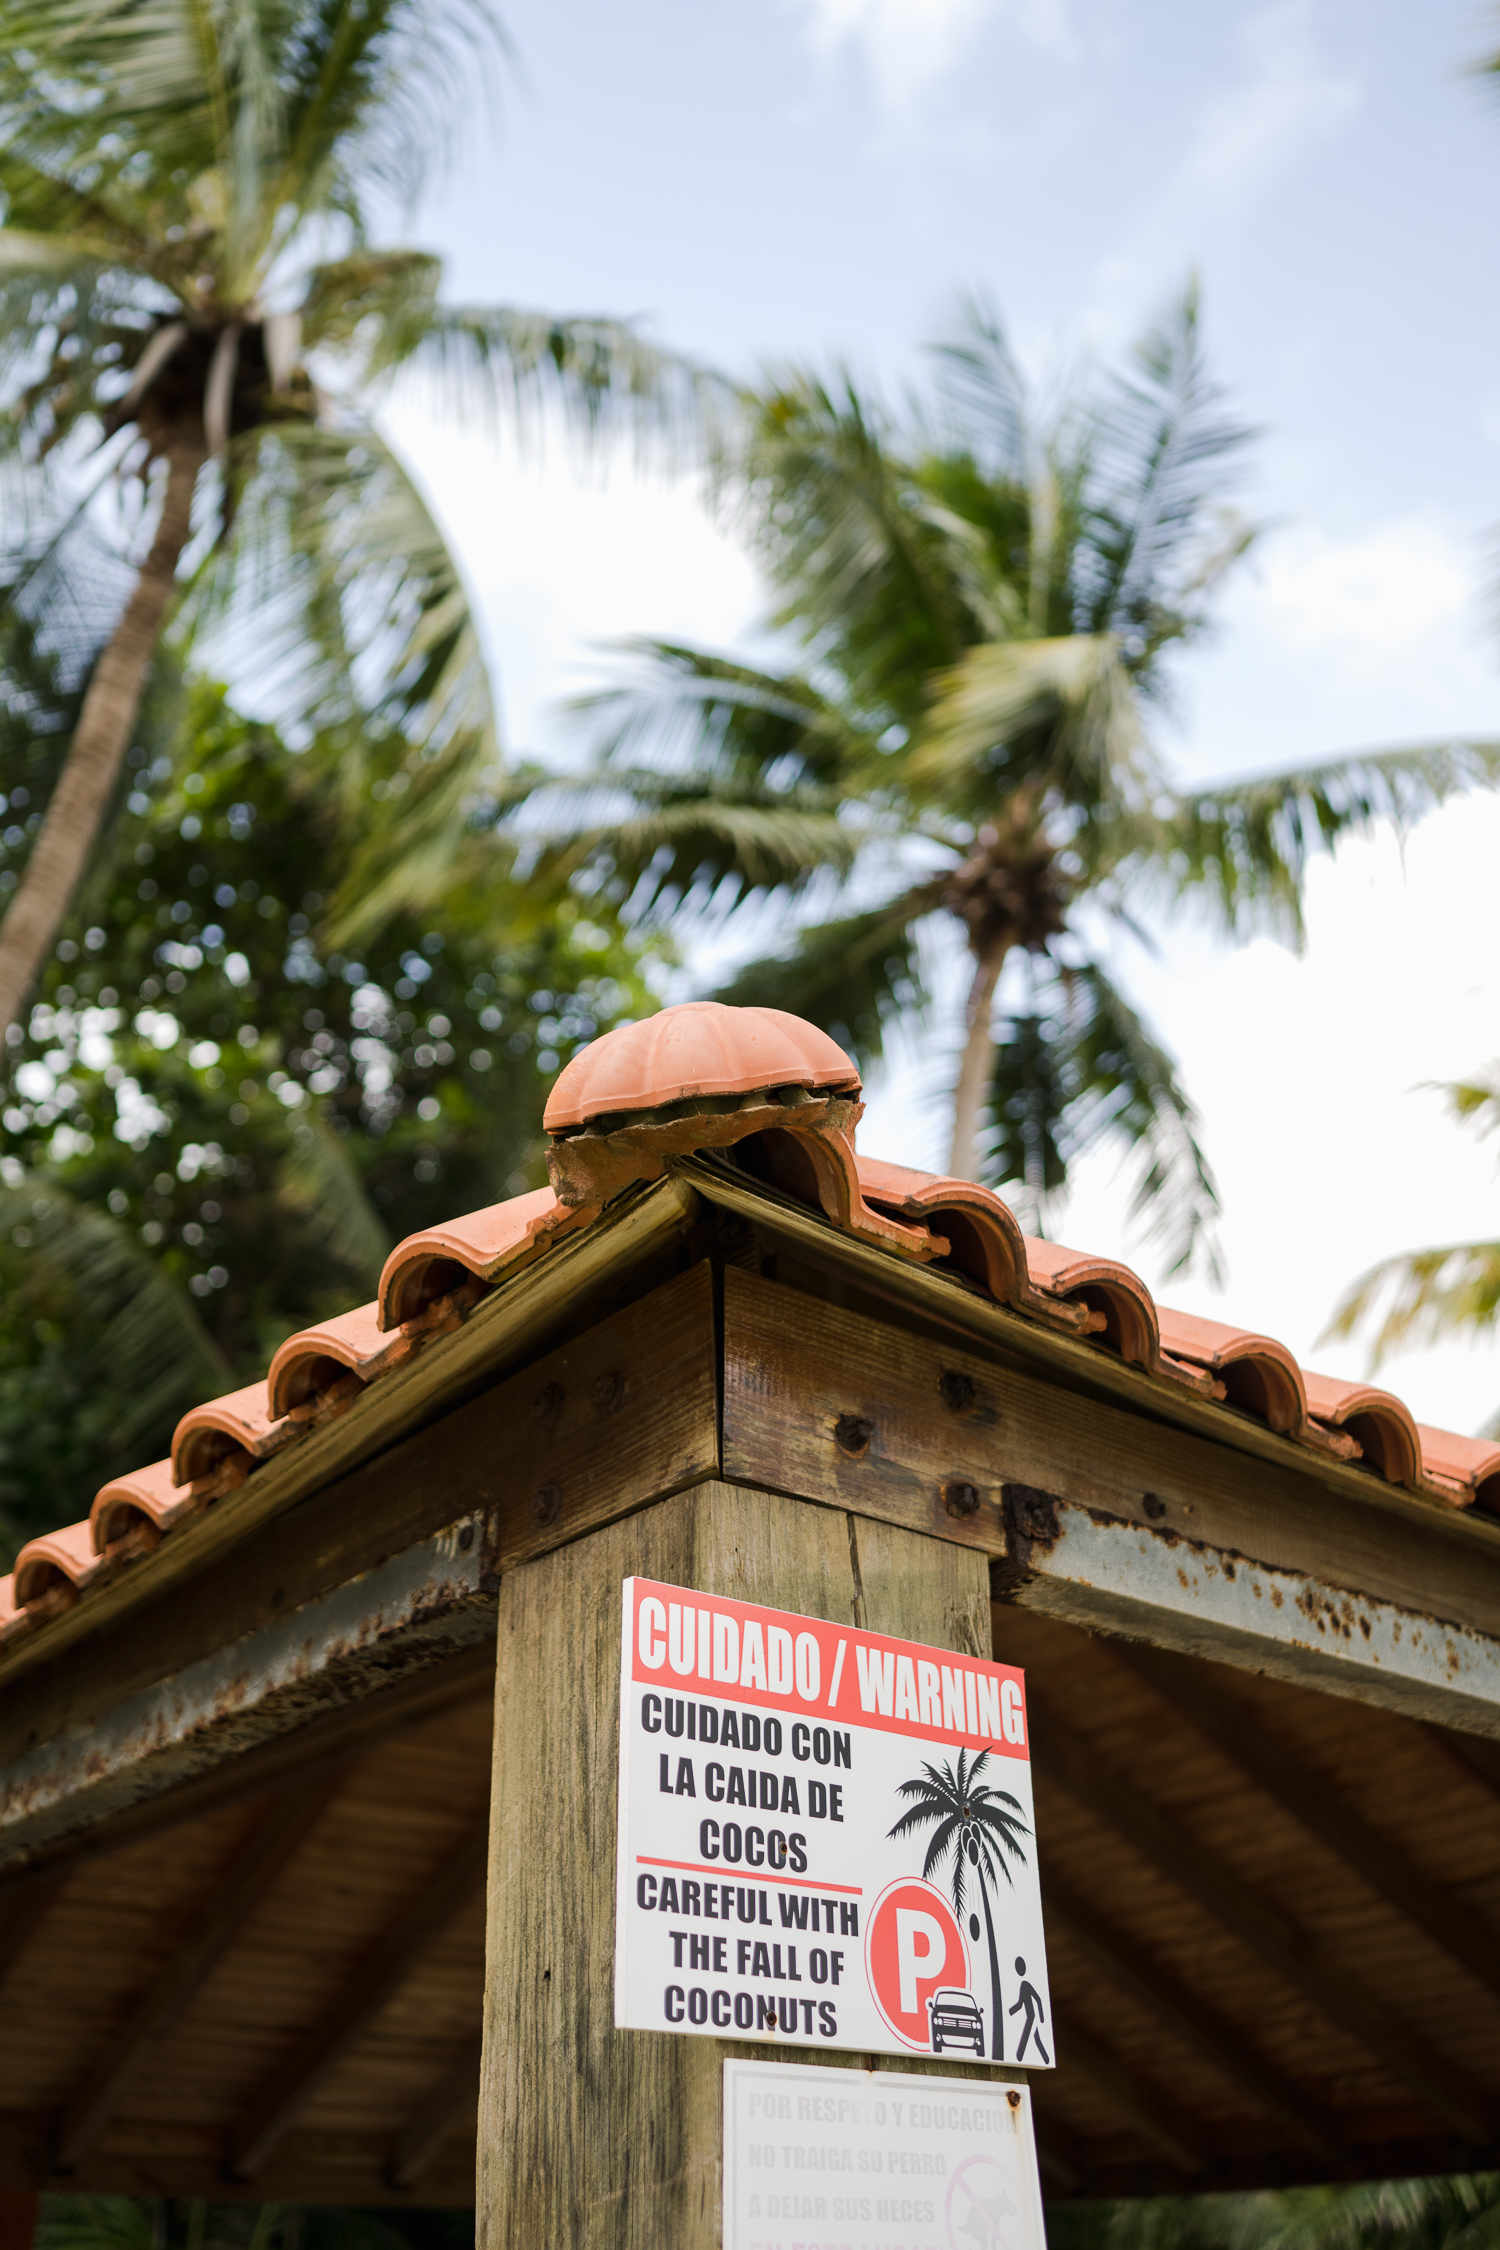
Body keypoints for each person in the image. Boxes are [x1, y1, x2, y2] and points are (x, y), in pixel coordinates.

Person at [1007, 1956, 1049, 2063]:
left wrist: (1042, 2017)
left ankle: (1019, 2056)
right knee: (1036, 2038)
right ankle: (1046, 2059)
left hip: (1031, 2017)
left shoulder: (1025, 1985)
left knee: (1027, 2036)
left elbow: (1038, 1999)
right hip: (1030, 2016)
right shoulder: (1023, 1985)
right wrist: (1011, 2011)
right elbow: (1021, 2004)